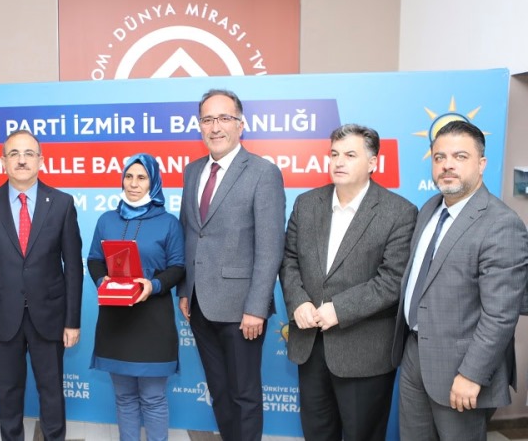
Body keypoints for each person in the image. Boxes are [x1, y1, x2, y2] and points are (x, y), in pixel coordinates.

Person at [392, 120, 528, 440]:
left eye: (460, 156)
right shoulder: (430, 209)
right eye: (439, 157)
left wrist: (471, 374)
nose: (447, 165)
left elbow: (500, 315)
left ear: (481, 164)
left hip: (461, 368)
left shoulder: (501, 224)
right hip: (414, 355)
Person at [280, 124, 417, 440]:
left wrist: (338, 309)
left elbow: (392, 280)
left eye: (350, 155)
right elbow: (289, 260)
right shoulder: (306, 203)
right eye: (334, 154)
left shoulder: (399, 212)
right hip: (310, 346)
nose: (339, 162)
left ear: (372, 163)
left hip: (364, 352)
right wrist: (298, 301)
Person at [178, 89, 285, 441]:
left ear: (241, 124)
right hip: (199, 306)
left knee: (244, 396)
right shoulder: (193, 171)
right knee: (220, 392)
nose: (215, 127)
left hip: (242, 311)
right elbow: (189, 232)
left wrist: (256, 307)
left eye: (224, 118)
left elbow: (270, 247)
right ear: (200, 126)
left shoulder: (263, 173)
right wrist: (185, 289)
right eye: (208, 119)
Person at [0, 130, 83, 441]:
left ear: (41, 161)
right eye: (14, 154)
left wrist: (72, 321)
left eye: (29, 153)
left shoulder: (62, 203)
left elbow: (73, 268)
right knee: (8, 392)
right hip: (2, 318)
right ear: (3, 161)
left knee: (52, 391)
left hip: (50, 316)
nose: (21, 160)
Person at [87, 153, 185, 441]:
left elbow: (178, 267)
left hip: (153, 322)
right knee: (124, 397)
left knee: (153, 398)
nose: (133, 183)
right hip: (115, 322)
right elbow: (94, 259)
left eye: (142, 178)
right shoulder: (106, 219)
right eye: (129, 177)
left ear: (153, 183)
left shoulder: (169, 223)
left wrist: (153, 285)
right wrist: (102, 280)